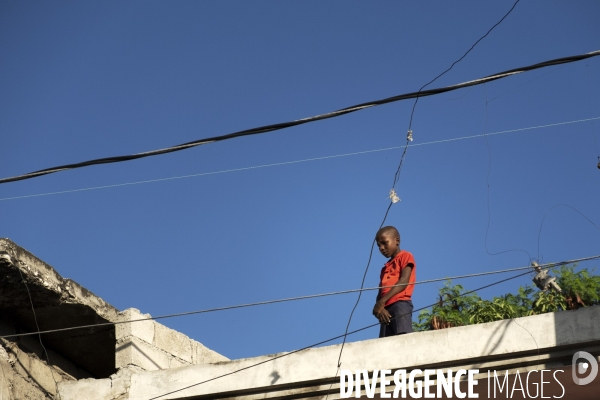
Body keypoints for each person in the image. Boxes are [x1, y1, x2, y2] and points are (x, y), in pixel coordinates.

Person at [372, 226, 416, 337]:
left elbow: (403, 281)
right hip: (385, 310)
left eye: (384, 243)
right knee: (386, 344)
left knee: (403, 337)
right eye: (379, 245)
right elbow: (380, 292)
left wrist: (381, 303)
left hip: (400, 304)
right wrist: (379, 308)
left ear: (397, 240)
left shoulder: (405, 256)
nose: (382, 248)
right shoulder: (385, 268)